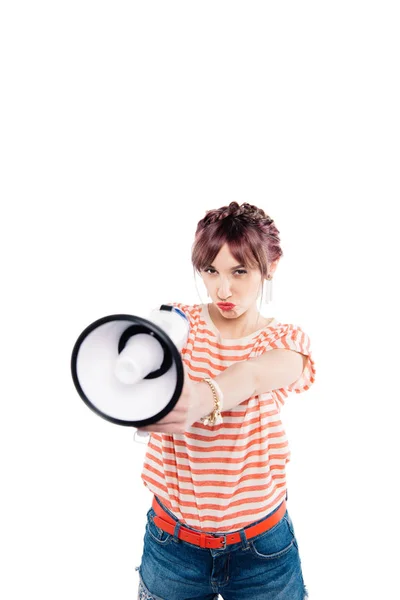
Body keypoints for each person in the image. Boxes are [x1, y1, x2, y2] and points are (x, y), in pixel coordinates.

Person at [136, 201, 316, 600]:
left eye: (240, 271)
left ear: (271, 266)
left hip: (263, 552)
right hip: (172, 548)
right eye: (210, 270)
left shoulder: (284, 339)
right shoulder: (178, 322)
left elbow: (252, 375)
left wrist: (202, 398)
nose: (222, 289)